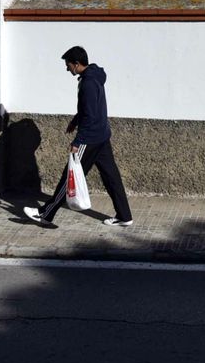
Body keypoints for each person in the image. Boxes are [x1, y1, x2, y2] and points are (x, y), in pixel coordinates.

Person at [23, 46, 133, 228]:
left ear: (76, 64)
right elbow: (89, 108)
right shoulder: (95, 76)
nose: (67, 69)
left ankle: (46, 213)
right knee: (111, 177)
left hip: (90, 139)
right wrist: (75, 121)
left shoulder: (88, 83)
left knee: (69, 177)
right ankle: (124, 215)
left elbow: (89, 115)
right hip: (102, 135)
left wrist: (78, 141)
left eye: (68, 65)